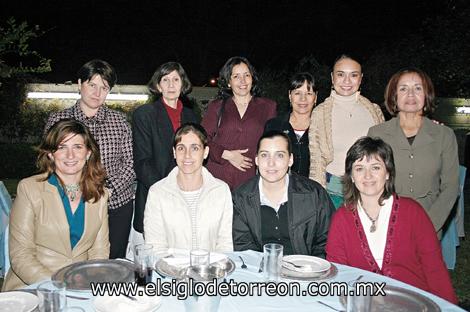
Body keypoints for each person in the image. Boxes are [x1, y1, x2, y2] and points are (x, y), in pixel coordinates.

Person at [326, 136, 457, 303]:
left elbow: (435, 269)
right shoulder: (341, 219)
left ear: (387, 173)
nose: (368, 176)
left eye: (375, 167)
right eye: (359, 169)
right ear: (351, 176)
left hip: (415, 304)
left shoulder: (413, 213)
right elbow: (339, 275)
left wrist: (448, 307)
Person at [3, 119, 110, 291]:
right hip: (35, 286)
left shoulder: (100, 194)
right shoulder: (30, 189)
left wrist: (88, 283)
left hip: (81, 286)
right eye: (61, 147)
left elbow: (99, 252)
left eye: (77, 147)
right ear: (51, 154)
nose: (70, 155)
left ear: (88, 153)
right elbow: (21, 256)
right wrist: (58, 286)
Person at [45, 60, 135, 259]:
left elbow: (130, 163)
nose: (97, 93)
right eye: (92, 85)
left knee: (113, 260)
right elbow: (50, 161)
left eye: (104, 87)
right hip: (70, 203)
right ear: (79, 84)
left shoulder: (119, 121)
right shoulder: (58, 120)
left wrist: (108, 190)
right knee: (73, 259)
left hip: (116, 204)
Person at [368, 68, 459, 238]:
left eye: (418, 88)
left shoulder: (444, 135)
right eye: (403, 88)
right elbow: (370, 182)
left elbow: (451, 187)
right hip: (386, 225)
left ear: (427, 95)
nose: (411, 94)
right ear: (394, 96)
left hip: (430, 224)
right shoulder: (376, 134)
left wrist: (428, 225)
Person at [233, 131, 335, 257]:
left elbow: (327, 241)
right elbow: (243, 245)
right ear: (257, 160)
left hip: (306, 271)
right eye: (264, 155)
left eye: (279, 155)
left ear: (290, 160)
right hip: (260, 271)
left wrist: (310, 269)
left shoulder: (314, 194)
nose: (271, 163)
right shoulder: (241, 197)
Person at [308, 55, 384, 208]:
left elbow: (385, 151)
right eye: (341, 74)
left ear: (361, 78)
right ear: (332, 77)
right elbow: (316, 158)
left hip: (370, 190)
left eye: (353, 75)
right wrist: (317, 196)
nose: (347, 81)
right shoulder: (320, 113)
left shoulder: (374, 110)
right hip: (333, 191)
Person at [144, 123, 233, 252]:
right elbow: (156, 247)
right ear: (174, 152)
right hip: (170, 269)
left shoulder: (221, 191)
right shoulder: (157, 192)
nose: (187, 155)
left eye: (195, 148)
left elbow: (225, 244)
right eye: (181, 148)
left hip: (210, 269)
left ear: (205, 152)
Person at [133, 62, 198, 235]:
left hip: (187, 199)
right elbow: (142, 163)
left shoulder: (191, 116)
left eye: (176, 79)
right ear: (158, 85)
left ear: (182, 85)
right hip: (156, 196)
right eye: (165, 80)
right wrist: (168, 192)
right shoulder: (144, 114)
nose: (171, 85)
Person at [202, 56, 277, 190]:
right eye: (236, 76)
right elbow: (201, 139)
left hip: (251, 182)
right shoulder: (216, 106)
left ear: (252, 78)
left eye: (246, 75)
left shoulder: (268, 107)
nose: (242, 80)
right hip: (217, 180)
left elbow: (273, 142)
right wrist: (227, 155)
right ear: (229, 82)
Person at [264, 72, 317, 177]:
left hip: (313, 190)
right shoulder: (274, 126)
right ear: (290, 95)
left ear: (315, 97)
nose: (303, 99)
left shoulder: (322, 128)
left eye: (309, 93)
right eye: (297, 93)